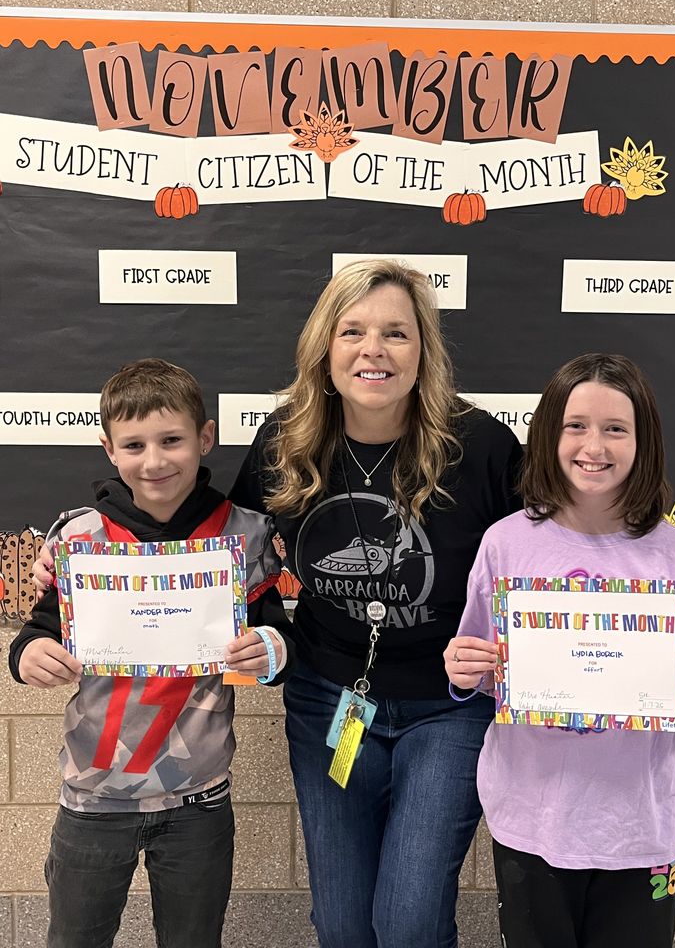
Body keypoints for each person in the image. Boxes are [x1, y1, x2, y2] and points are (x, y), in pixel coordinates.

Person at [226, 259, 524, 948]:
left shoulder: (478, 446)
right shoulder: (284, 441)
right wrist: (78, 568)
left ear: (423, 351)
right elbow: (231, 563)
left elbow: (540, 558)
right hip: (328, 701)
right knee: (342, 926)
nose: (374, 350)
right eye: (353, 331)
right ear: (324, 349)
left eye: (396, 333)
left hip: (448, 707)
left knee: (409, 922)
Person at [445, 353, 675, 948]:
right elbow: (485, 672)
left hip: (643, 828)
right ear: (548, 435)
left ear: (644, 442)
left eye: (616, 428)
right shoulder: (505, 544)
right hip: (534, 821)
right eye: (576, 425)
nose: (595, 444)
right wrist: (464, 671)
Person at [10, 358, 295, 948]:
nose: (155, 460)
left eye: (172, 440)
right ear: (109, 449)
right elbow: (38, 631)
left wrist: (271, 651)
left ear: (205, 438)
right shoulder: (80, 537)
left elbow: (274, 635)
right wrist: (29, 653)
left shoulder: (245, 534)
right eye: (134, 445)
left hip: (199, 799)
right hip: (93, 797)